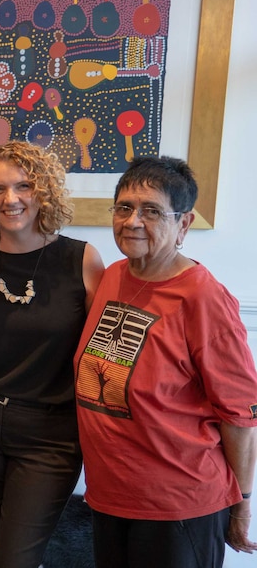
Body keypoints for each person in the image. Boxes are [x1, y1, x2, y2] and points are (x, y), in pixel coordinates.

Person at [74, 156, 257, 567]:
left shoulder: (203, 298)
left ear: (184, 225)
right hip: (111, 494)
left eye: (152, 211)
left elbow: (240, 414)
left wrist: (242, 502)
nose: (133, 221)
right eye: (124, 207)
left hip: (179, 504)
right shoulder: (114, 276)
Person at [0, 141, 104, 568]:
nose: (11, 199)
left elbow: (100, 357)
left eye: (24, 185)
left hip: (51, 433)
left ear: (43, 190)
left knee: (15, 558)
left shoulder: (81, 259)